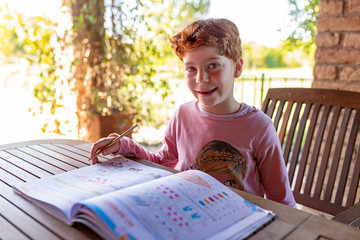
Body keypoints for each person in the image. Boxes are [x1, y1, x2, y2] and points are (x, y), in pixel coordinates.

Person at [90, 18, 296, 208]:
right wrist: (123, 145)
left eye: (213, 65)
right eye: (191, 69)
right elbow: (163, 163)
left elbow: (281, 199)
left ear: (237, 67)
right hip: (186, 213)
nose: (201, 79)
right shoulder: (182, 115)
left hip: (239, 221)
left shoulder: (259, 126)